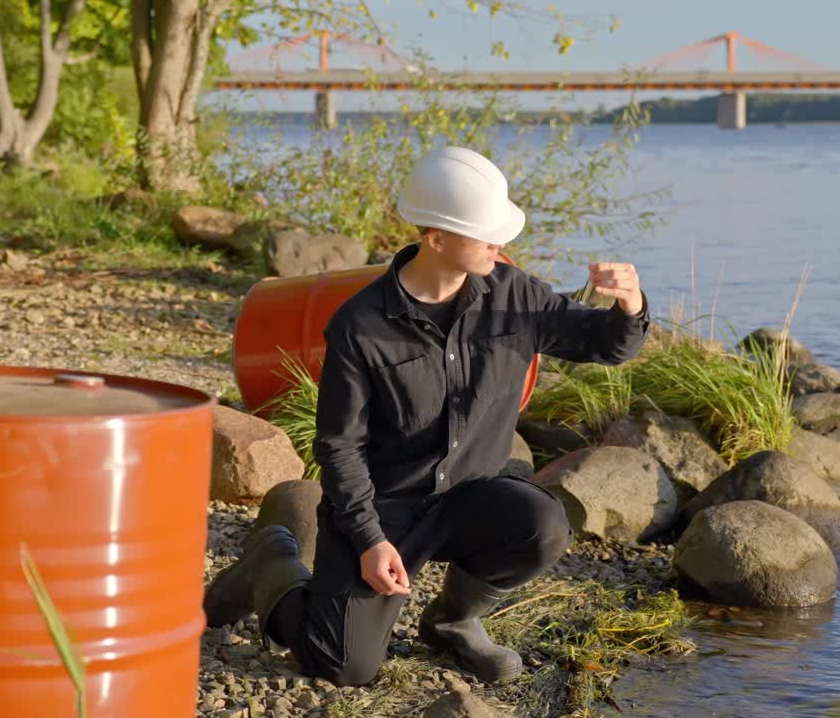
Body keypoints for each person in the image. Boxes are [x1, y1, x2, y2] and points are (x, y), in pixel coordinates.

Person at [203, 146, 650, 687]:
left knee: (542, 525)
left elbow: (603, 344)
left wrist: (629, 305)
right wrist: (368, 540)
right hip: (384, 508)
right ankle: (271, 562)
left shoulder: (513, 293)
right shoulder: (360, 326)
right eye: (485, 233)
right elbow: (338, 447)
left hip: (469, 496)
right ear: (435, 238)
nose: (500, 243)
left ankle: (453, 621)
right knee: (341, 665)